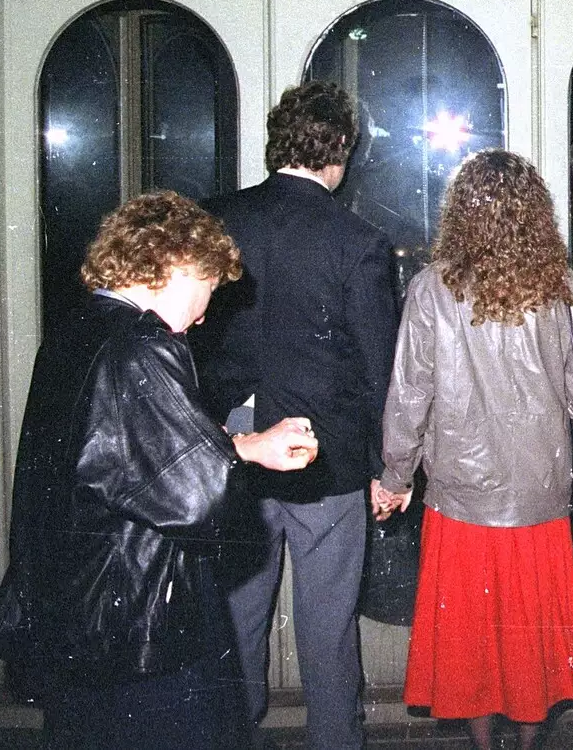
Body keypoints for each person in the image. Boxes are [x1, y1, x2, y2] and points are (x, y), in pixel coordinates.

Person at [0, 191, 320, 750]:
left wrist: (243, 444)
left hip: (79, 618)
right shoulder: (142, 348)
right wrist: (233, 465)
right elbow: (201, 503)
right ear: (176, 266)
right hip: (141, 625)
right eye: (208, 288)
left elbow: (123, 459)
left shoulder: (82, 327)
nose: (207, 310)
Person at [376, 150, 573, 750]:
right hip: (539, 493)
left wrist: (396, 475)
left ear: (461, 212)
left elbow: (410, 393)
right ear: (536, 213)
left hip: (462, 495)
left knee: (474, 644)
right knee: (530, 642)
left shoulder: (434, 288)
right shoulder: (561, 286)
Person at [195, 81, 400, 750]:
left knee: (234, 620)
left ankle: (233, 734)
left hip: (235, 449)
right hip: (328, 458)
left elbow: (191, 346)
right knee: (328, 627)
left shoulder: (216, 219)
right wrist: (384, 468)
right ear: (339, 150)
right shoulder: (359, 240)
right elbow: (379, 369)